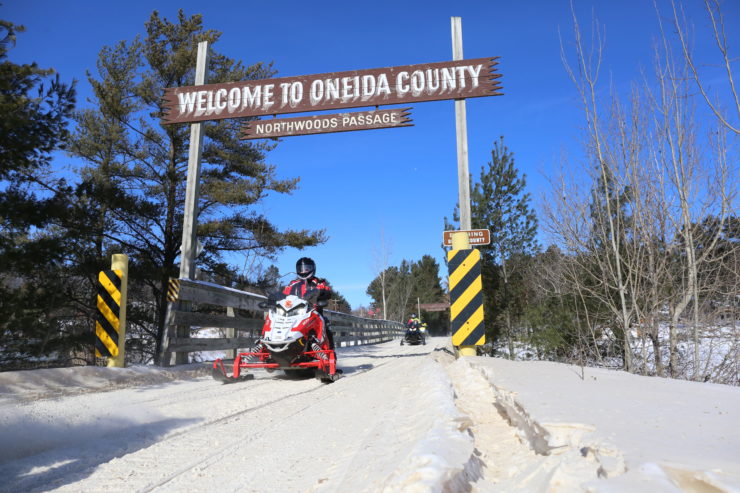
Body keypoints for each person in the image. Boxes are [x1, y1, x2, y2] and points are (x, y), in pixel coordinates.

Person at [281, 257, 335, 350]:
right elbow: (284, 293)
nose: (303, 271)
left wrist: (321, 293)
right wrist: (275, 298)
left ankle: (329, 350)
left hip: (313, 312)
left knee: (326, 324)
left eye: (306, 268)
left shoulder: (318, 282)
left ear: (312, 269)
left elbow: (327, 290)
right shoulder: (293, 283)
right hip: (293, 313)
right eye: (300, 269)